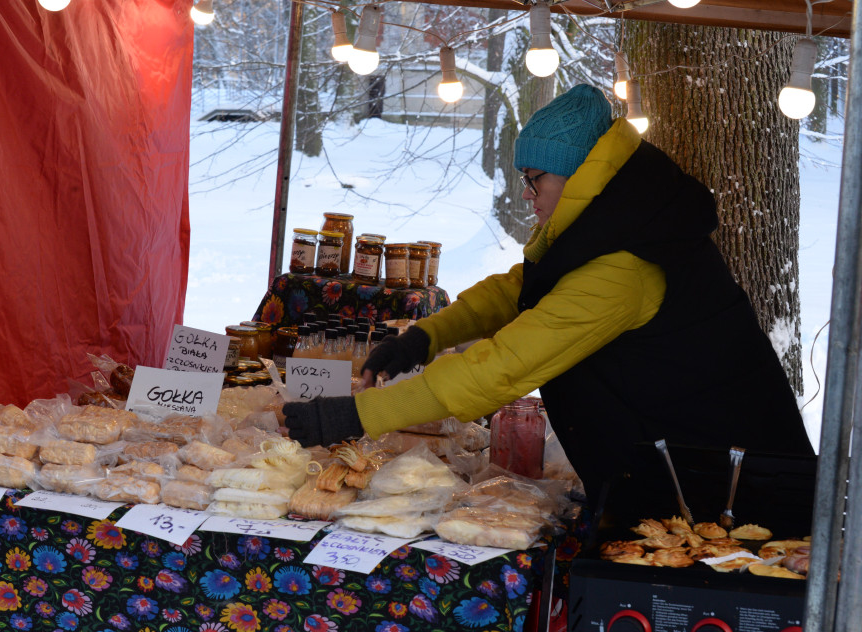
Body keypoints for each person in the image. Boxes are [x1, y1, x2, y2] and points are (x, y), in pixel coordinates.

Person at [282, 84, 814, 505]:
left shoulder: (629, 265)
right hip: (681, 473)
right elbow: (521, 289)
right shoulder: (615, 225)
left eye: (535, 179)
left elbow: (503, 369)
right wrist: (423, 337)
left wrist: (354, 417)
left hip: (731, 494)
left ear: (582, 175)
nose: (526, 193)